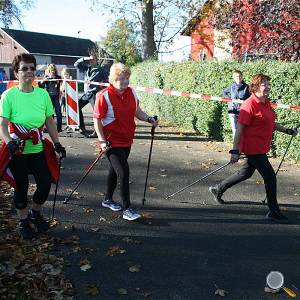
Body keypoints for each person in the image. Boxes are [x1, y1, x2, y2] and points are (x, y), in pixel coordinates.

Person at [209, 74, 298, 223]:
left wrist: (287, 130)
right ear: (255, 86)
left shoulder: (266, 103)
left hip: (261, 146)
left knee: (245, 173)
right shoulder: (249, 104)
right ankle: (273, 211)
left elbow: (270, 123)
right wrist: (235, 150)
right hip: (253, 147)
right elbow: (239, 129)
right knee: (270, 177)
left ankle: (218, 189)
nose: (268, 87)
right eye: (264, 84)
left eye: (269, 84)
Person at [0, 53, 66, 240]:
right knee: (21, 186)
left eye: (32, 68)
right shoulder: (8, 96)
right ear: (16, 73)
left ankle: (35, 214)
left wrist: (58, 143)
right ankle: (23, 222)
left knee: (45, 184)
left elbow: (50, 122)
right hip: (17, 149)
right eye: (24, 68)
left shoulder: (42, 94)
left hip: (37, 148)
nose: (29, 72)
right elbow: (2, 125)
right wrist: (9, 142)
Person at [93, 63, 158, 221]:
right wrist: (102, 141)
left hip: (127, 139)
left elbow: (137, 111)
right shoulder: (104, 95)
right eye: (121, 79)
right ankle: (127, 208)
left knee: (115, 170)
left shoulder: (132, 93)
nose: (125, 82)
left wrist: (149, 119)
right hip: (110, 141)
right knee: (123, 172)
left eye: (126, 78)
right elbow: (97, 120)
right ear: (113, 79)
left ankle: (107, 199)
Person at [74, 55, 111, 138]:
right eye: (90, 60)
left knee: (97, 114)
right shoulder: (87, 68)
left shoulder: (101, 70)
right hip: (87, 93)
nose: (91, 61)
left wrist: (99, 87)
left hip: (94, 94)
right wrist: (85, 58)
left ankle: (97, 132)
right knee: (77, 107)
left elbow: (107, 80)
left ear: (97, 60)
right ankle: (81, 127)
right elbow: (76, 64)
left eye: (93, 60)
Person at [223, 70, 250, 137]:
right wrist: (230, 100)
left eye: (239, 76)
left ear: (242, 77)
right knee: (234, 130)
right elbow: (224, 92)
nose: (238, 77)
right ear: (234, 78)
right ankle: (236, 146)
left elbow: (250, 97)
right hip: (232, 110)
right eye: (236, 76)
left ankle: (242, 145)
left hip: (243, 111)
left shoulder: (246, 87)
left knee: (242, 130)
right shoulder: (232, 86)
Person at [40, 64, 63, 132]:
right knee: (50, 113)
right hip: (48, 97)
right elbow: (41, 86)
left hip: (56, 97)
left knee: (58, 112)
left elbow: (62, 83)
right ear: (48, 71)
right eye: (51, 70)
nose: (52, 72)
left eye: (53, 70)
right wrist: (43, 81)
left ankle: (59, 128)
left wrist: (58, 81)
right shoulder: (46, 77)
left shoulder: (58, 77)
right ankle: (50, 128)